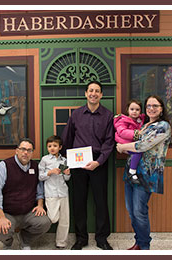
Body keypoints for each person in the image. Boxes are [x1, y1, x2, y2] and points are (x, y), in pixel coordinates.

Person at [61, 80, 115, 250]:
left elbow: (109, 142)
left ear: (101, 95)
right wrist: (67, 161)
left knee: (101, 201)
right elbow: (67, 138)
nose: (93, 93)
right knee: (79, 201)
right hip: (78, 163)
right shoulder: (76, 115)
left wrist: (98, 162)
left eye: (97, 91)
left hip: (98, 162)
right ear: (86, 93)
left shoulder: (108, 115)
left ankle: (102, 238)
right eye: (90, 90)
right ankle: (81, 238)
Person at [116, 95, 171, 250]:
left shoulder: (163, 126)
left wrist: (122, 147)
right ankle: (139, 242)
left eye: (155, 106)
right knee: (132, 211)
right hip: (130, 173)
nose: (151, 109)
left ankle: (145, 247)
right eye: (148, 106)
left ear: (161, 108)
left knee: (139, 211)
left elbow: (143, 146)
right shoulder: (145, 125)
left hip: (146, 175)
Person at [0, 138, 51, 250]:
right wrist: (1, 217)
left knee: (44, 222)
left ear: (32, 153)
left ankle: (25, 241)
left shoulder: (35, 167)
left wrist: (40, 205)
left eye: (29, 150)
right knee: (1, 230)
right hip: (7, 212)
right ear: (17, 151)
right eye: (23, 149)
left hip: (28, 212)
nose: (25, 152)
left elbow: (39, 190)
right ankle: (8, 243)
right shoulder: (5, 166)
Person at [38, 135, 71, 249]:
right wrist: (50, 172)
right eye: (49, 146)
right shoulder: (44, 160)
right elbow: (40, 177)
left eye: (55, 146)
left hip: (63, 192)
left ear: (60, 147)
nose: (52, 148)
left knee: (65, 220)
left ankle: (61, 243)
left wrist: (67, 174)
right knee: (53, 218)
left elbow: (67, 179)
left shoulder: (64, 160)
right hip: (51, 193)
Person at [113, 99, 146, 184]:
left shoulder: (139, 120)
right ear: (127, 110)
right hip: (125, 143)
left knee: (138, 152)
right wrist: (136, 133)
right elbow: (122, 132)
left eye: (137, 110)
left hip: (132, 143)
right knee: (138, 152)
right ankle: (132, 172)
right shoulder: (123, 120)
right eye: (132, 109)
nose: (134, 111)